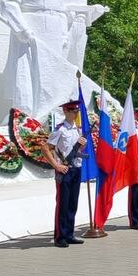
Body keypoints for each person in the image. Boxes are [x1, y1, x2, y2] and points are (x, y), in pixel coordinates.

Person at [41, 100, 87, 247]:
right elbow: (46, 148)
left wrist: (81, 146)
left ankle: (69, 233)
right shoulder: (60, 129)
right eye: (73, 111)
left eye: (76, 111)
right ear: (66, 112)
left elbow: (76, 151)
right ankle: (60, 236)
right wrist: (56, 165)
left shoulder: (77, 129)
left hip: (76, 168)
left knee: (73, 203)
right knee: (63, 203)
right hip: (64, 170)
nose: (76, 114)